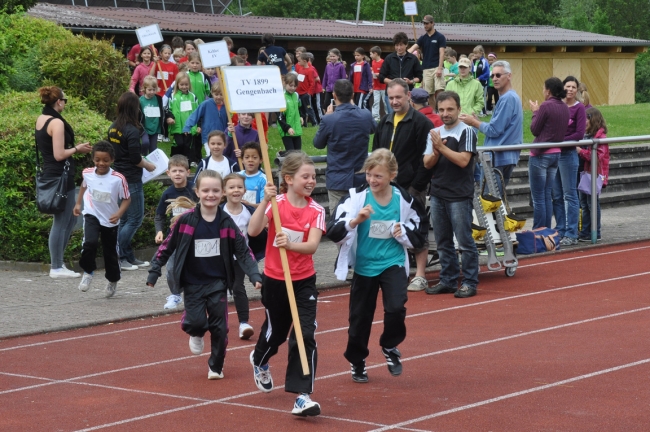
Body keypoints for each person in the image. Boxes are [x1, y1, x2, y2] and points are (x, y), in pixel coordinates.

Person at [147, 170, 263, 380]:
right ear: (197, 192)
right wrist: (155, 270)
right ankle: (196, 331)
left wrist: (254, 274)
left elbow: (243, 250)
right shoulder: (186, 221)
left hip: (217, 283)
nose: (211, 195)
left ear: (222, 194)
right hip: (192, 283)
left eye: (215, 191)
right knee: (196, 322)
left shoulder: (226, 222)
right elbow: (167, 246)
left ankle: (216, 366)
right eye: (206, 190)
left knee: (221, 328)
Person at [327, 149, 426, 382]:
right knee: (360, 318)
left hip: (392, 263)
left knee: (396, 308)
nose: (372, 180)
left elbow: (419, 230)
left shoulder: (404, 199)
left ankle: (390, 346)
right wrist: (354, 221)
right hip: (364, 266)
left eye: (378, 176)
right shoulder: (355, 197)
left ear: (393, 175)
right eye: (369, 174)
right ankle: (357, 361)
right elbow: (333, 230)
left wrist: (404, 232)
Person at [247, 152, 326, 417]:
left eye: (313, 177)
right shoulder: (276, 204)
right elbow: (253, 231)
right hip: (275, 280)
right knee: (277, 333)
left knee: (304, 335)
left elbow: (313, 245)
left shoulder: (316, 210)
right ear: (289, 179)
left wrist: (289, 244)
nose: (311, 181)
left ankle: (302, 395)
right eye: (306, 176)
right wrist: (264, 202)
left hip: (303, 282)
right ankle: (260, 359)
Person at [372, 79, 434, 292]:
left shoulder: (421, 123)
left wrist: (417, 185)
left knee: (416, 227)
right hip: (387, 186)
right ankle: (391, 270)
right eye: (390, 98)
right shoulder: (385, 121)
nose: (394, 101)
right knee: (387, 227)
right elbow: (376, 153)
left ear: (409, 96)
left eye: (398, 97)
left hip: (411, 187)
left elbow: (427, 157)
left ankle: (421, 274)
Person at [423, 91, 479, 298]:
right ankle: (448, 280)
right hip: (437, 193)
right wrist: (436, 151)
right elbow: (426, 163)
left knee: (464, 241)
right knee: (442, 241)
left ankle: (470, 282)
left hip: (459, 195)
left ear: (458, 109)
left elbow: (464, 160)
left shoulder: (468, 132)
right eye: (442, 109)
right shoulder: (435, 132)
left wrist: (440, 148)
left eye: (450, 109)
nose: (445, 113)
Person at [36, 86, 92, 279]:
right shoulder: (56, 123)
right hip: (60, 175)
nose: (65, 104)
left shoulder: (42, 119)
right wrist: (77, 148)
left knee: (72, 219)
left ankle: (59, 263)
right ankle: (57, 266)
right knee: (61, 221)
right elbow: (59, 154)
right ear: (59, 102)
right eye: (64, 100)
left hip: (53, 174)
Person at [74, 141, 131, 297]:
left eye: (105, 160)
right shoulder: (87, 173)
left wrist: (119, 213)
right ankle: (87, 272)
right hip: (92, 214)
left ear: (112, 160)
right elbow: (84, 185)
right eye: (98, 160)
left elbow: (127, 199)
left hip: (110, 219)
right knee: (89, 243)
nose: (101, 163)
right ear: (93, 159)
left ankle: (112, 280)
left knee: (110, 252)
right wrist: (78, 203)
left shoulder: (118, 179)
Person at [460, 60, 523, 197]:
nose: (494, 79)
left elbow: (494, 130)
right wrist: (478, 121)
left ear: (509, 76)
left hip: (498, 158)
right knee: (495, 205)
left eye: (498, 75)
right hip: (503, 157)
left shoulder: (507, 98)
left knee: (490, 205)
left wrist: (473, 122)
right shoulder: (510, 97)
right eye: (492, 76)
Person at [108, 92, 156, 271]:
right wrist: (149, 166)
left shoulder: (113, 127)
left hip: (118, 176)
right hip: (132, 178)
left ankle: (127, 257)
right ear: (134, 108)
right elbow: (136, 159)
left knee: (125, 218)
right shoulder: (132, 130)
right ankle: (117, 254)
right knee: (135, 219)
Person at [313, 79, 377, 214]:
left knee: (339, 221)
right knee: (362, 219)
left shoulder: (328, 119)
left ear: (334, 95)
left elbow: (318, 144)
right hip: (360, 178)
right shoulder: (365, 115)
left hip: (338, 178)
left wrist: (327, 117)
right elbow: (373, 129)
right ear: (353, 95)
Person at [220, 173, 266, 339]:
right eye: (231, 187)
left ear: (244, 190)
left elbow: (260, 227)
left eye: (239, 187)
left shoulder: (249, 212)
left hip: (241, 257)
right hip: (219, 259)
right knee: (218, 289)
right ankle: (217, 321)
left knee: (237, 287)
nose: (236, 190)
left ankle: (243, 323)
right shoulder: (218, 212)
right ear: (224, 191)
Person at [154, 155, 197, 310]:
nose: (178, 174)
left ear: (188, 172)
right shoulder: (167, 194)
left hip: (193, 237)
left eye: (181, 170)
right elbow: (159, 215)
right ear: (168, 173)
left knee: (194, 267)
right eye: (174, 171)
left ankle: (197, 294)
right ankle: (175, 294)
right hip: (174, 238)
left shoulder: (194, 190)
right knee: (171, 268)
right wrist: (159, 231)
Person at [528, 77, 569, 230]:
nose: (543, 91)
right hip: (556, 154)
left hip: (540, 154)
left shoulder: (545, 106)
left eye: (544, 89)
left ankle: (538, 232)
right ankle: (545, 231)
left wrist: (535, 112)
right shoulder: (564, 107)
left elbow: (534, 129)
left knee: (538, 197)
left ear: (549, 90)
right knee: (546, 196)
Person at [552, 75, 587, 247]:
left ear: (577, 89)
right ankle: (560, 229)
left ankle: (572, 233)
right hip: (554, 155)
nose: (570, 89)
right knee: (556, 195)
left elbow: (579, 134)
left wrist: (560, 139)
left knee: (569, 194)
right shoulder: (557, 105)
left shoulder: (579, 108)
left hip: (568, 155)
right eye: (568, 86)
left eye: (574, 87)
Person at [578, 107, 609, 242]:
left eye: (586, 119)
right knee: (584, 203)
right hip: (585, 173)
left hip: (594, 174)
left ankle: (596, 231)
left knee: (592, 204)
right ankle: (585, 231)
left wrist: (580, 151)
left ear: (593, 120)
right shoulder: (586, 135)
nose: (583, 122)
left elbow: (596, 157)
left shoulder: (600, 138)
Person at [183, 81, 228, 159]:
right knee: (210, 155)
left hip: (222, 136)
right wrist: (187, 126)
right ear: (212, 93)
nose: (218, 97)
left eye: (221, 94)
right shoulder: (206, 104)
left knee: (221, 156)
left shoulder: (227, 106)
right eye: (216, 94)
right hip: (208, 136)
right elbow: (195, 115)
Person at [407, 15, 446, 104]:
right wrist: (404, 53)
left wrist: (440, 68)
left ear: (432, 23)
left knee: (440, 91)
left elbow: (442, 53)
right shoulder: (423, 38)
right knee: (429, 94)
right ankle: (432, 115)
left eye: (427, 23)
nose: (425, 25)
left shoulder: (440, 37)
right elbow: (413, 48)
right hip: (426, 69)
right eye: (424, 23)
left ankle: (441, 111)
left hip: (437, 67)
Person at [167, 72, 199, 162]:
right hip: (177, 126)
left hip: (189, 126)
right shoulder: (173, 96)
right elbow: (168, 109)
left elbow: (196, 111)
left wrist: (196, 125)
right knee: (179, 143)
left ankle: (186, 162)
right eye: (181, 84)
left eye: (186, 84)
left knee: (187, 144)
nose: (184, 87)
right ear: (177, 84)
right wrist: (170, 117)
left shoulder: (193, 97)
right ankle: (174, 158)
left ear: (189, 84)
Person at [139, 75, 166, 156]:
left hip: (155, 127)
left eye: (154, 90)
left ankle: (152, 162)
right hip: (144, 127)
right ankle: (143, 157)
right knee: (145, 143)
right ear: (144, 89)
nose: (152, 92)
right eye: (149, 90)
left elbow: (162, 110)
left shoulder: (158, 98)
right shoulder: (140, 100)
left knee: (153, 148)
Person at [278, 74, 303, 153]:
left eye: (295, 86)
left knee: (298, 153)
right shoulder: (281, 97)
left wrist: (301, 116)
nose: (293, 88)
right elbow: (280, 117)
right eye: (290, 85)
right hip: (286, 130)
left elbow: (298, 107)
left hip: (296, 129)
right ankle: (284, 156)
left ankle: (282, 154)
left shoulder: (296, 95)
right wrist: (287, 128)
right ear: (284, 83)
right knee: (292, 154)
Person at [237, 141, 267, 207]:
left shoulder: (263, 180)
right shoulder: (237, 176)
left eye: (254, 157)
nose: (250, 160)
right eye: (247, 157)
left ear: (261, 160)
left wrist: (249, 205)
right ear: (242, 160)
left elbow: (265, 205)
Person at [295, 53, 318, 127]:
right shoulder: (300, 69)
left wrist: (309, 93)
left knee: (308, 108)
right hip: (299, 92)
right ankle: (304, 123)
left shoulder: (310, 70)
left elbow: (312, 83)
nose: (298, 63)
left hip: (305, 93)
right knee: (301, 109)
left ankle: (314, 123)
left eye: (300, 61)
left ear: (304, 61)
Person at [369, 46, 390, 122]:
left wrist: (379, 75)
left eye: (371, 54)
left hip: (383, 86)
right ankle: (375, 117)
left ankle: (388, 115)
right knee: (376, 102)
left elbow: (385, 74)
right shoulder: (373, 62)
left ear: (376, 53)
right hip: (376, 86)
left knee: (385, 102)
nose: (370, 56)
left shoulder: (383, 62)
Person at [471, 45, 490, 116]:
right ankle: (478, 111)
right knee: (475, 96)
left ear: (481, 53)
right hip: (475, 82)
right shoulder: (474, 61)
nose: (475, 55)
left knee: (482, 96)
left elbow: (487, 73)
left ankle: (484, 112)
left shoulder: (484, 61)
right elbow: (472, 71)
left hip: (482, 82)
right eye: (474, 53)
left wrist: (480, 78)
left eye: (476, 53)